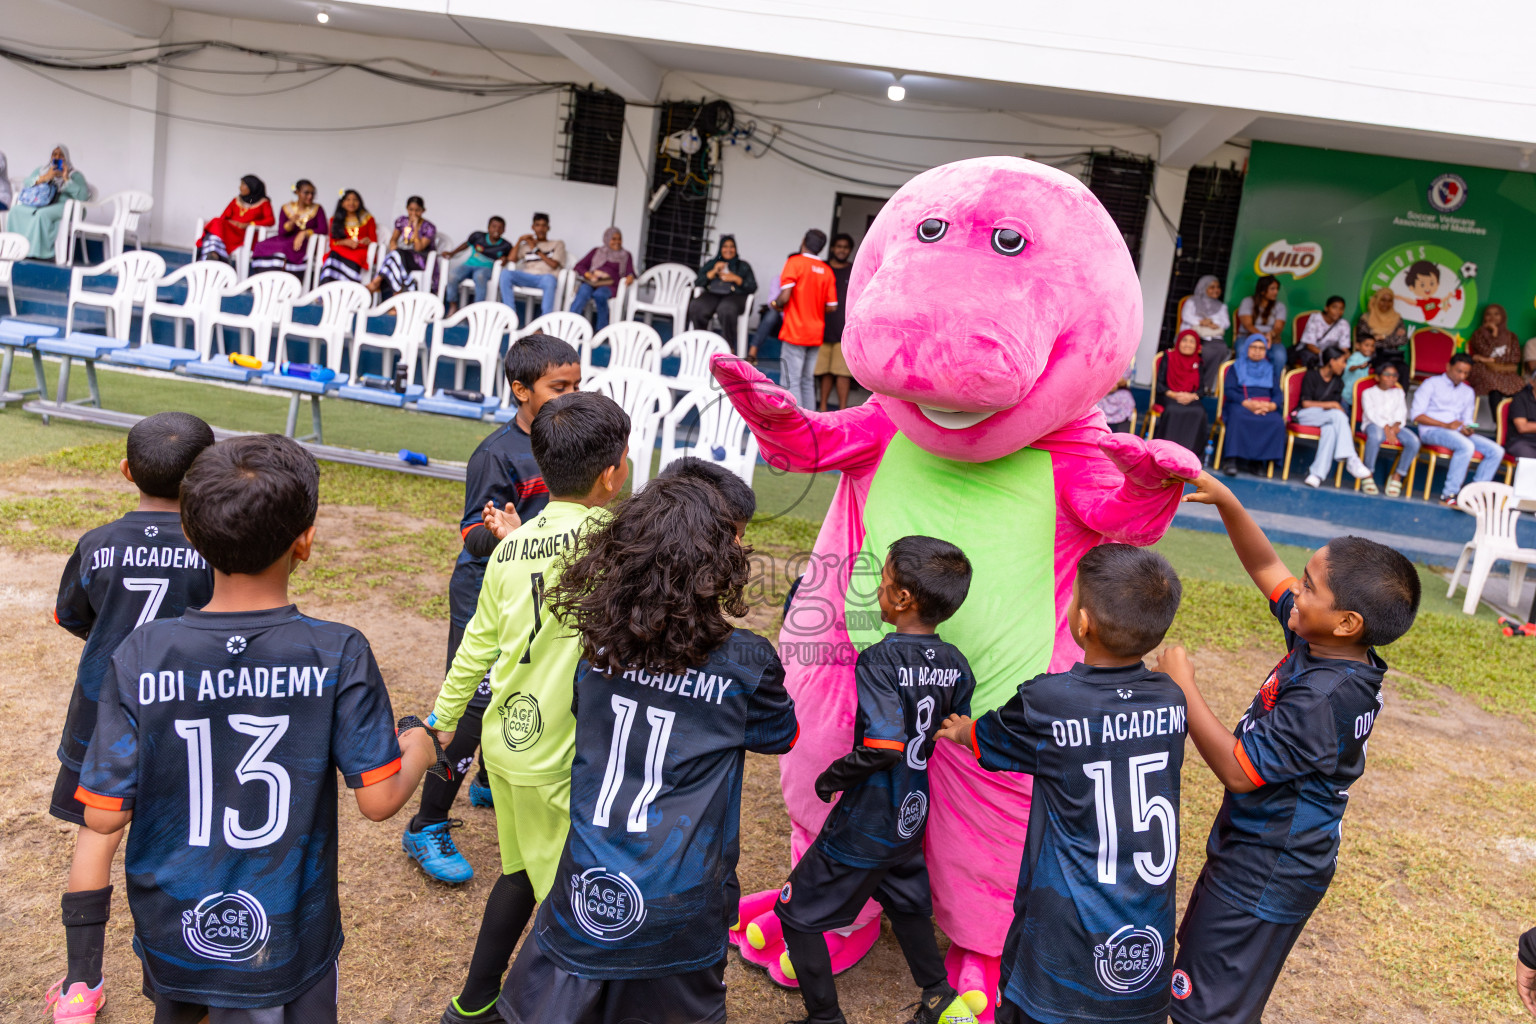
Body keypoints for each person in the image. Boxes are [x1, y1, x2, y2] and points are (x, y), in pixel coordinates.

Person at [75, 434, 439, 1023]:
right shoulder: (337, 652)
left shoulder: (142, 653)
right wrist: (419, 744)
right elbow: (379, 799)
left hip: (175, 922)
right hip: (288, 926)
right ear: (306, 541)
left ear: (191, 536)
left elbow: (104, 815)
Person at [497, 475, 800, 1024]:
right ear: (719, 566)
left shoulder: (597, 646)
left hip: (586, 890)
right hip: (681, 902)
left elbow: (582, 713)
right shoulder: (745, 662)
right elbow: (780, 734)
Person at [1168, 472, 1421, 1024]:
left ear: (1348, 621)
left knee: (1204, 1008)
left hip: (1267, 868)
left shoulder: (1325, 696)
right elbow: (1266, 568)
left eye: (1309, 588)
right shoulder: (1323, 642)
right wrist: (1230, 503)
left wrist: (1183, 687)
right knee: (1210, 992)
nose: (1295, 593)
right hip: (1254, 851)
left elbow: (1239, 770)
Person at [428, 391, 630, 1024]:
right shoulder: (619, 545)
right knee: (570, 902)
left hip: (506, 744)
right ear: (613, 471)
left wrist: (439, 723)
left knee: (517, 875)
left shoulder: (510, 548)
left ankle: (474, 1002)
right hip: (563, 758)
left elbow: (472, 653)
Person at [936, 543, 1187, 1024]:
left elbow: (987, 737)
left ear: (1083, 622)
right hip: (1146, 949)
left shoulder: (1048, 701)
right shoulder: (1172, 699)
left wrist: (960, 730)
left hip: (1060, 940)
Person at [43, 413, 217, 1023]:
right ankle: (172, 976)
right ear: (204, 479)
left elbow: (71, 616)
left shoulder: (96, 543)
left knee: (97, 835)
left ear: (125, 471)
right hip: (186, 722)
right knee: (178, 842)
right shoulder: (214, 547)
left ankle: (78, 989)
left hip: (104, 714)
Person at [401, 333, 582, 884]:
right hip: (490, 594)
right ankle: (426, 823)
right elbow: (471, 536)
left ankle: (490, 781)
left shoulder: (571, 442)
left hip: (543, 589)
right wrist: (516, 535)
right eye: (559, 387)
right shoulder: (496, 454)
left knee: (531, 686)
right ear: (520, 389)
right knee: (475, 708)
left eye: (577, 384)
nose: (570, 395)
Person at [778, 536, 979, 1024]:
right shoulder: (956, 663)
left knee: (797, 915)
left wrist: (831, 778)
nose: (879, 592)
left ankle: (825, 1017)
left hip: (867, 817)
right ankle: (940, 1000)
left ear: (903, 599)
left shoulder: (881, 660)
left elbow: (884, 746)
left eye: (884, 584)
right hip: (912, 812)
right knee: (908, 905)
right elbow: (955, 724)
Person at [1411, 353, 1506, 505]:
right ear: (1448, 367)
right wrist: (1445, 425)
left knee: (1496, 451)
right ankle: (1449, 494)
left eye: (1466, 373)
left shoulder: (1468, 391)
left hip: (1457, 432)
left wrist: (1468, 428)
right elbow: (1416, 415)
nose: (1462, 376)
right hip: (1432, 431)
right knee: (1466, 446)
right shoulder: (1431, 384)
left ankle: (1474, 496)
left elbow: (1467, 420)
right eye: (1458, 371)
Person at [768, 229, 838, 409]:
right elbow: (832, 306)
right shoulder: (827, 270)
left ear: (803, 241)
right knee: (807, 380)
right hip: (815, 333)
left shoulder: (795, 262)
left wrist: (775, 304)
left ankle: (796, 422)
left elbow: (784, 297)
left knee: (791, 380)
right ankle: (810, 422)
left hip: (795, 331)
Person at [1294, 346, 1376, 492]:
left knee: (1331, 430)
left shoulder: (1338, 382)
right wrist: (1331, 404)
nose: (1345, 366)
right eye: (1343, 361)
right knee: (1338, 415)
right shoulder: (1311, 375)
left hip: (1326, 418)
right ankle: (1351, 459)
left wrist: (1332, 406)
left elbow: (1332, 410)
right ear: (1332, 361)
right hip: (1305, 415)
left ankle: (1316, 475)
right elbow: (1305, 403)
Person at [9, 145, 89, 259]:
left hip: (65, 206)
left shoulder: (75, 175)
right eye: (54, 154)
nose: (57, 157)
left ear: (66, 158)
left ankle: (36, 252)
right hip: (41, 203)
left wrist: (66, 178)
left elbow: (83, 197)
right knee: (15, 210)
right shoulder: (42, 170)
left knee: (42, 215)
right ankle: (14, 248)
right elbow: (26, 183)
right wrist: (45, 177)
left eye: (61, 155)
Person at [1220, 336, 1283, 476]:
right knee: (1237, 416)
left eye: (1261, 348)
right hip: (1241, 403)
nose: (1257, 351)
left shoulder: (1270, 369)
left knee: (1276, 420)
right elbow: (1229, 390)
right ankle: (1231, 460)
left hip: (1265, 405)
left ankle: (1258, 462)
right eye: (1253, 347)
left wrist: (1271, 406)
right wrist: (1247, 403)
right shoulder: (1236, 367)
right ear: (1247, 348)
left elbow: (1278, 393)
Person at [1359, 363, 1421, 497]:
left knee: (1414, 441)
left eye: (1394, 375)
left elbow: (1401, 413)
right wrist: (1387, 429)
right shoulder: (1368, 393)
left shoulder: (1399, 392)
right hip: (1374, 424)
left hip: (1395, 427)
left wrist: (1394, 427)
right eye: (1387, 375)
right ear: (1377, 377)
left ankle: (1398, 476)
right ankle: (1368, 474)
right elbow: (1372, 414)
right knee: (1375, 437)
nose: (1391, 378)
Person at [250, 180, 327, 278]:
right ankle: (264, 280)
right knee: (260, 245)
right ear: (297, 192)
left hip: (303, 242)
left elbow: (323, 229)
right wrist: (290, 223)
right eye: (306, 193)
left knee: (283, 248)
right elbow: (281, 232)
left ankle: (284, 281)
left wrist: (304, 233)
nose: (310, 196)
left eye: (312, 193)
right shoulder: (286, 208)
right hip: (285, 238)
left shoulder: (317, 209)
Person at [687, 234, 756, 344]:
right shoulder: (713, 263)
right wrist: (714, 271)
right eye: (725, 246)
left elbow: (752, 287)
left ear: (735, 248)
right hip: (713, 294)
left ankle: (728, 346)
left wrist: (736, 278)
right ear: (720, 248)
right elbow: (698, 282)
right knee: (697, 306)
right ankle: (701, 342)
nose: (728, 249)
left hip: (736, 296)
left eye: (731, 246)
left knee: (726, 309)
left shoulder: (743, 265)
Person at [1153, 330, 1210, 457]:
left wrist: (1191, 396)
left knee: (1199, 412)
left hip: (1190, 397)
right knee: (1173, 409)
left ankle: (1190, 454)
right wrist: (1174, 395)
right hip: (1169, 395)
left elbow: (1201, 390)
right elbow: (1160, 384)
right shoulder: (1168, 357)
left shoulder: (1199, 362)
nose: (1187, 344)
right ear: (1178, 342)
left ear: (1197, 346)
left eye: (1192, 341)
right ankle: (1165, 451)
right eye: (1184, 340)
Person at [499, 212, 566, 318]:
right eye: (537, 225)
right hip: (527, 276)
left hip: (545, 278)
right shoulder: (526, 246)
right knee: (505, 274)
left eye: (544, 225)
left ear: (548, 228)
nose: (541, 229)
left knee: (549, 280)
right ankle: (510, 316)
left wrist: (536, 249)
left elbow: (554, 265)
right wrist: (519, 240)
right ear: (532, 227)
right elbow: (511, 259)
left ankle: (545, 321)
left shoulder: (557, 244)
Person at [194, 175, 274, 264]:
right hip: (232, 232)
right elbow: (224, 216)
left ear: (252, 187)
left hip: (247, 235)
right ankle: (213, 254)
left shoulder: (264, 203)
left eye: (243, 185)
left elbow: (270, 221)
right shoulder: (236, 200)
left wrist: (249, 224)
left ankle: (216, 255)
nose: (240, 187)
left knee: (215, 225)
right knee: (217, 221)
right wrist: (231, 222)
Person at [370, 194, 436, 301]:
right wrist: (393, 246)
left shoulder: (429, 227)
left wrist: (415, 228)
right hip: (402, 255)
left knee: (397, 256)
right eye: (411, 210)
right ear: (407, 209)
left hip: (420, 260)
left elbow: (419, 248)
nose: (413, 213)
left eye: (417, 210)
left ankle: (376, 282)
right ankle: (396, 297)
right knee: (396, 256)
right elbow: (393, 240)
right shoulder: (402, 221)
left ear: (423, 210)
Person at [817, 233, 856, 411]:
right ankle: (823, 408)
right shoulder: (822, 268)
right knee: (824, 372)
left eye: (845, 247)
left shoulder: (854, 269)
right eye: (838, 246)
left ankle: (842, 410)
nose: (842, 250)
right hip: (821, 327)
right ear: (832, 248)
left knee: (842, 374)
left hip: (845, 330)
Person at [569, 226, 636, 330]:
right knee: (583, 291)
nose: (617, 242)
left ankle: (601, 331)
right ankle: (570, 324)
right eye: (614, 239)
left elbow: (630, 271)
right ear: (607, 239)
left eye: (619, 239)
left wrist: (630, 277)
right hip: (593, 282)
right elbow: (579, 266)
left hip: (610, 285)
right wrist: (588, 274)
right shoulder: (597, 251)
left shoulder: (626, 255)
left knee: (600, 295)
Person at [444, 216, 512, 311]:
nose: (497, 229)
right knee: (452, 275)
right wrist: (452, 253)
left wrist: (505, 259)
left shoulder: (506, 245)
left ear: (504, 230)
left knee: (479, 276)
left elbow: (509, 258)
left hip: (486, 269)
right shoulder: (478, 236)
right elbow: (466, 245)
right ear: (488, 227)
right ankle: (453, 305)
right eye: (494, 226)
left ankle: (477, 310)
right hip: (468, 265)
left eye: (500, 227)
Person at [1466, 303, 1527, 406]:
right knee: (1493, 383)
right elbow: (1488, 353)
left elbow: (1515, 358)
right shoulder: (1478, 334)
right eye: (1488, 314)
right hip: (1484, 368)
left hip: (1506, 371)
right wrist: (1494, 334)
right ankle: (1498, 419)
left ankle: (1514, 416)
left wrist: (1490, 360)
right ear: (1484, 317)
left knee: (1520, 384)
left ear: (1502, 317)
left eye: (1496, 314)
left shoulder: (1511, 336)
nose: (1492, 317)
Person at [317, 189, 377, 286]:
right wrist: (345, 242)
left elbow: (374, 240)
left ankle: (350, 293)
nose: (351, 203)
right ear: (342, 203)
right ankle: (326, 291)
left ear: (359, 202)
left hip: (361, 250)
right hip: (342, 249)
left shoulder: (368, 219)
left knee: (354, 258)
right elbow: (332, 243)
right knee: (333, 254)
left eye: (355, 200)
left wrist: (368, 241)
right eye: (348, 200)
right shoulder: (335, 219)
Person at [1182, 275, 1230, 393]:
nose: (1216, 290)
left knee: (1220, 349)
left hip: (1212, 336)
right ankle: (1187, 382)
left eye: (1218, 287)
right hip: (1193, 335)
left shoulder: (1221, 306)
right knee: (1193, 348)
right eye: (1212, 287)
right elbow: (1186, 316)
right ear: (1203, 288)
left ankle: (1205, 385)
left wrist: (1212, 324)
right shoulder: (1192, 301)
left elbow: (1226, 323)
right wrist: (1202, 322)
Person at [1236, 275, 1288, 377]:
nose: (1276, 292)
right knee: (1242, 349)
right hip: (1247, 336)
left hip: (1271, 339)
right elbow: (1248, 325)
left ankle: (1273, 385)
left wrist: (1270, 335)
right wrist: (1262, 337)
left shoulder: (1280, 306)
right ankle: (1242, 381)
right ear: (1262, 290)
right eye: (1272, 289)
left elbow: (1278, 327)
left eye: (1277, 289)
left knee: (1280, 356)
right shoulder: (1248, 301)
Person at [1357, 287, 1409, 375]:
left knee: (1403, 368)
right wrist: (1392, 338)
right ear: (1376, 300)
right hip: (1372, 355)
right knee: (1383, 367)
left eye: (1390, 301)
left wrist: (1380, 337)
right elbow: (1363, 341)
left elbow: (1402, 340)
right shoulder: (1366, 319)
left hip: (1392, 356)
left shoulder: (1397, 319)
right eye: (1383, 300)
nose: (1386, 304)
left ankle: (1399, 389)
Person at [1296, 295, 1352, 367]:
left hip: (1332, 354)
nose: (1338, 311)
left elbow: (1344, 347)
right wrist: (1327, 356)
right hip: (1314, 352)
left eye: (1341, 309)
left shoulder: (1344, 324)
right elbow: (1310, 345)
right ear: (1326, 308)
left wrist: (1347, 355)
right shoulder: (1315, 319)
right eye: (1334, 307)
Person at [1340, 334, 1375, 413]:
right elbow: (1350, 367)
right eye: (1367, 345)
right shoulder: (1355, 356)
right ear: (1358, 346)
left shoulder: (1370, 358)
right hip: (1346, 393)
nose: (1370, 348)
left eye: (1372, 346)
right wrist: (1359, 366)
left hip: (1356, 395)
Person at [1505, 383, 1536, 462]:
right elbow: (1522, 427)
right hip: (1521, 441)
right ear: (1532, 382)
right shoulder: (1521, 398)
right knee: (1529, 458)